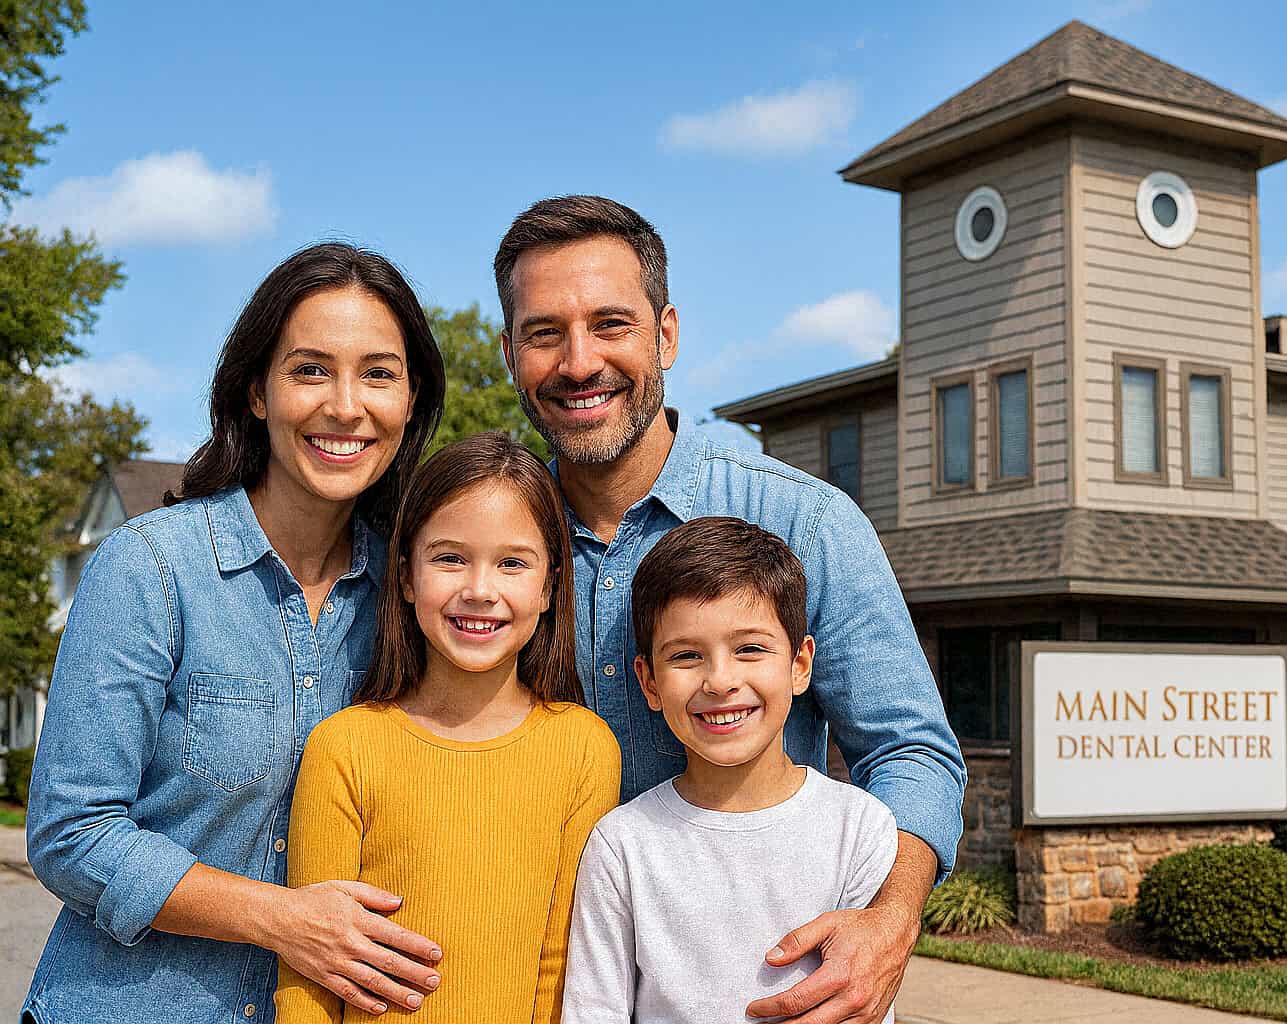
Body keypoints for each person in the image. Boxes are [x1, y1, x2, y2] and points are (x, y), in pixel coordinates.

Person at [494, 195, 966, 1023]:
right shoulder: (488, 553)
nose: (578, 362)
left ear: (666, 335)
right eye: (544, 333)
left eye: (611, 324)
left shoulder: (806, 523)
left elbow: (912, 750)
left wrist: (891, 917)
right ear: (509, 353)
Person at [23, 243, 448, 1024]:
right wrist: (282, 919)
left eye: (379, 373)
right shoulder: (150, 569)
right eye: (310, 370)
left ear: (413, 400)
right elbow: (70, 830)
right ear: (257, 391)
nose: (346, 405)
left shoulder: (413, 595)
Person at [274, 431, 621, 1023]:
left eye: (512, 563)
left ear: (549, 586)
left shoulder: (584, 748)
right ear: (406, 576)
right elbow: (306, 980)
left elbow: (562, 968)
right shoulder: (345, 746)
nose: (479, 590)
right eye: (449, 557)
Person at [562, 517, 899, 1023]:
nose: (720, 681)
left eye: (750, 649)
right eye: (687, 656)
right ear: (649, 682)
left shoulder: (860, 830)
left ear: (800, 665)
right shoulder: (621, 845)